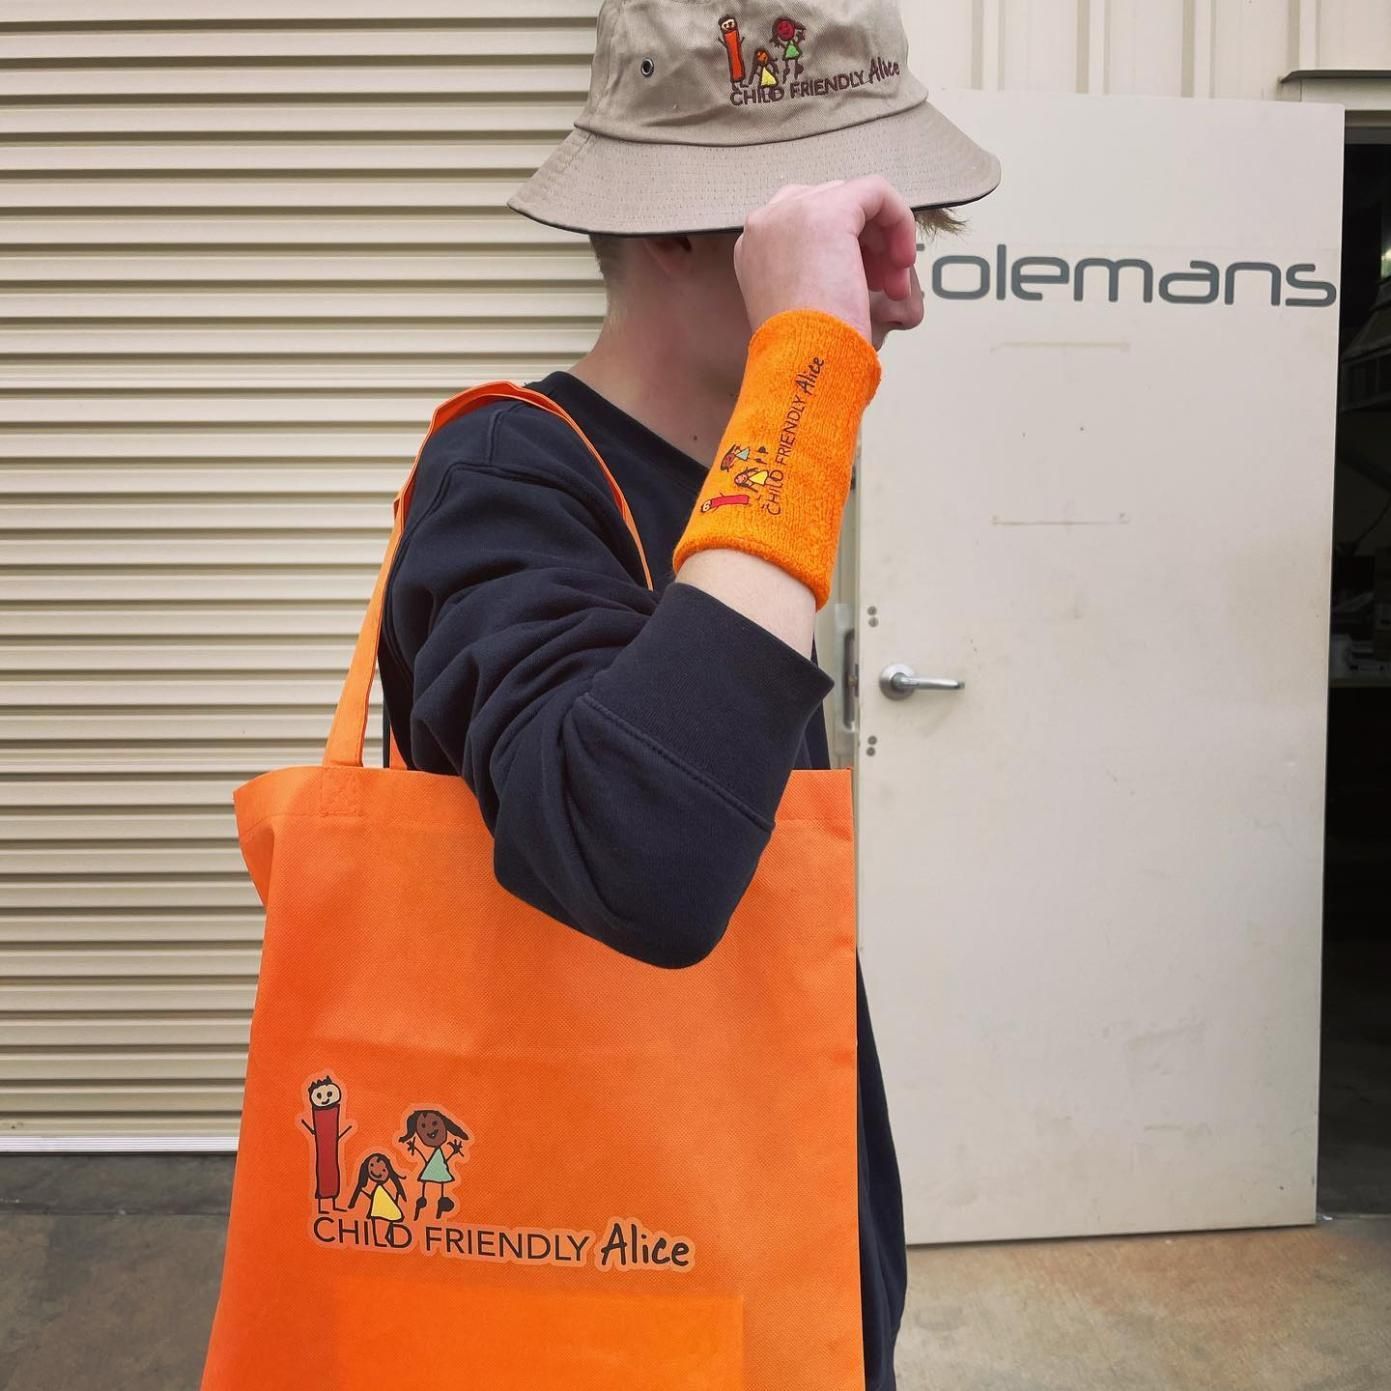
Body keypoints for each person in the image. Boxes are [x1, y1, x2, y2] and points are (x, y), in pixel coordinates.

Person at [378, 2, 999, 1385]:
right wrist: (807, 382)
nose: (898, 287)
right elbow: (641, 852)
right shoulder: (508, 474)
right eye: (848, 241)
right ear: (686, 229)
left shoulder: (730, 493)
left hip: (766, 1227)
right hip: (593, 1264)